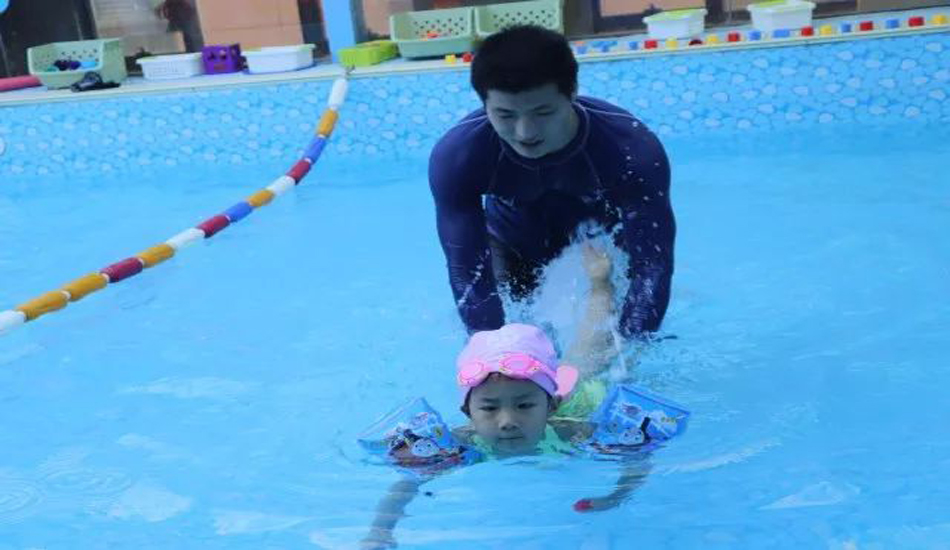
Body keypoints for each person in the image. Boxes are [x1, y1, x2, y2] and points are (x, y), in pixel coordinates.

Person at [361, 245, 657, 549]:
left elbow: (637, 456)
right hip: (541, 387)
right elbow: (405, 485)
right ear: (467, 411)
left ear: (551, 405)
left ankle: (600, 284)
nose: (507, 421)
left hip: (579, 397)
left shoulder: (571, 431)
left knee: (593, 352)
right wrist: (380, 532)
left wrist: (617, 495)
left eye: (524, 406)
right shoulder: (459, 444)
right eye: (489, 408)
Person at [429, 25, 675, 340]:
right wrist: (492, 349)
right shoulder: (459, 156)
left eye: (543, 112)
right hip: (512, 247)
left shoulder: (630, 149)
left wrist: (634, 344)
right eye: (505, 115)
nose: (525, 132)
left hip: (600, 253)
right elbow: (466, 271)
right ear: (483, 103)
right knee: (508, 337)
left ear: (572, 92)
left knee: (615, 334)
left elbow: (652, 264)